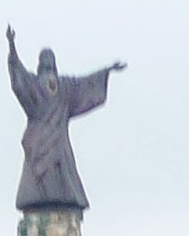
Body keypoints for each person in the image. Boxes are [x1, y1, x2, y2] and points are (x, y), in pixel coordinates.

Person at [7, 25, 125, 211]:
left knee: (55, 172)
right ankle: (46, 201)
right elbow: (85, 84)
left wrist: (12, 47)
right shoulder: (63, 86)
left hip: (47, 140)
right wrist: (107, 70)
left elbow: (18, 77)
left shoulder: (53, 85)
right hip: (48, 139)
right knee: (52, 173)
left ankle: (56, 201)